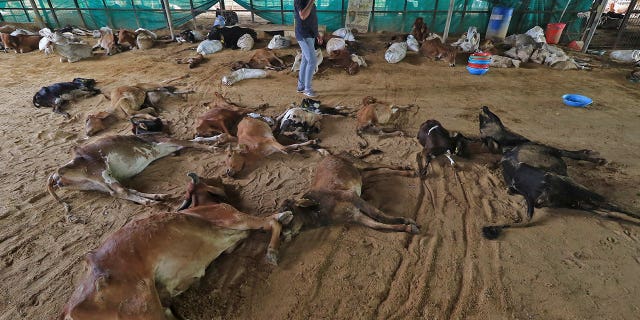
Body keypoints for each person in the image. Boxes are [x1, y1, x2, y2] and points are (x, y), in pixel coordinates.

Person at [294, 0, 322, 98]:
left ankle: (301, 86)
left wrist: (317, 33)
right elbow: (303, 15)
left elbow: (312, 19)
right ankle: (307, 88)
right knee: (312, 60)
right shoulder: (299, 1)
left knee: (305, 61)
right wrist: (311, 2)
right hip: (303, 35)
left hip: (310, 34)